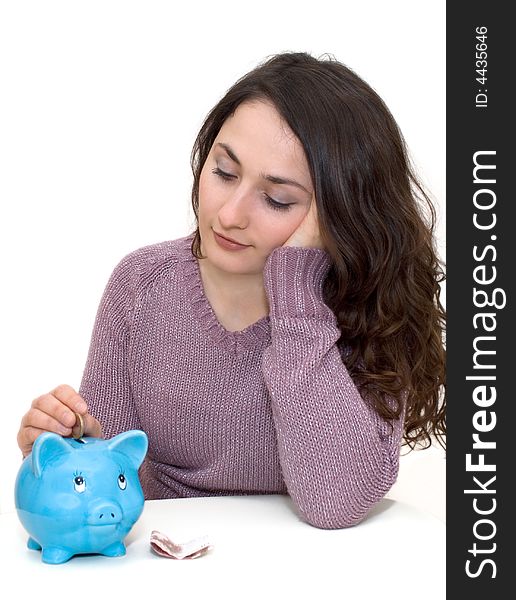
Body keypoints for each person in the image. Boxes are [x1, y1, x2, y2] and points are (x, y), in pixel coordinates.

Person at [17, 52, 446, 529]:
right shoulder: (141, 286)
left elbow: (338, 502)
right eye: (224, 172)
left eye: (277, 198)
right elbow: (110, 486)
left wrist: (299, 298)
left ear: (335, 215)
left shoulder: (371, 305)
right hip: (172, 560)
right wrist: (69, 448)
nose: (229, 214)